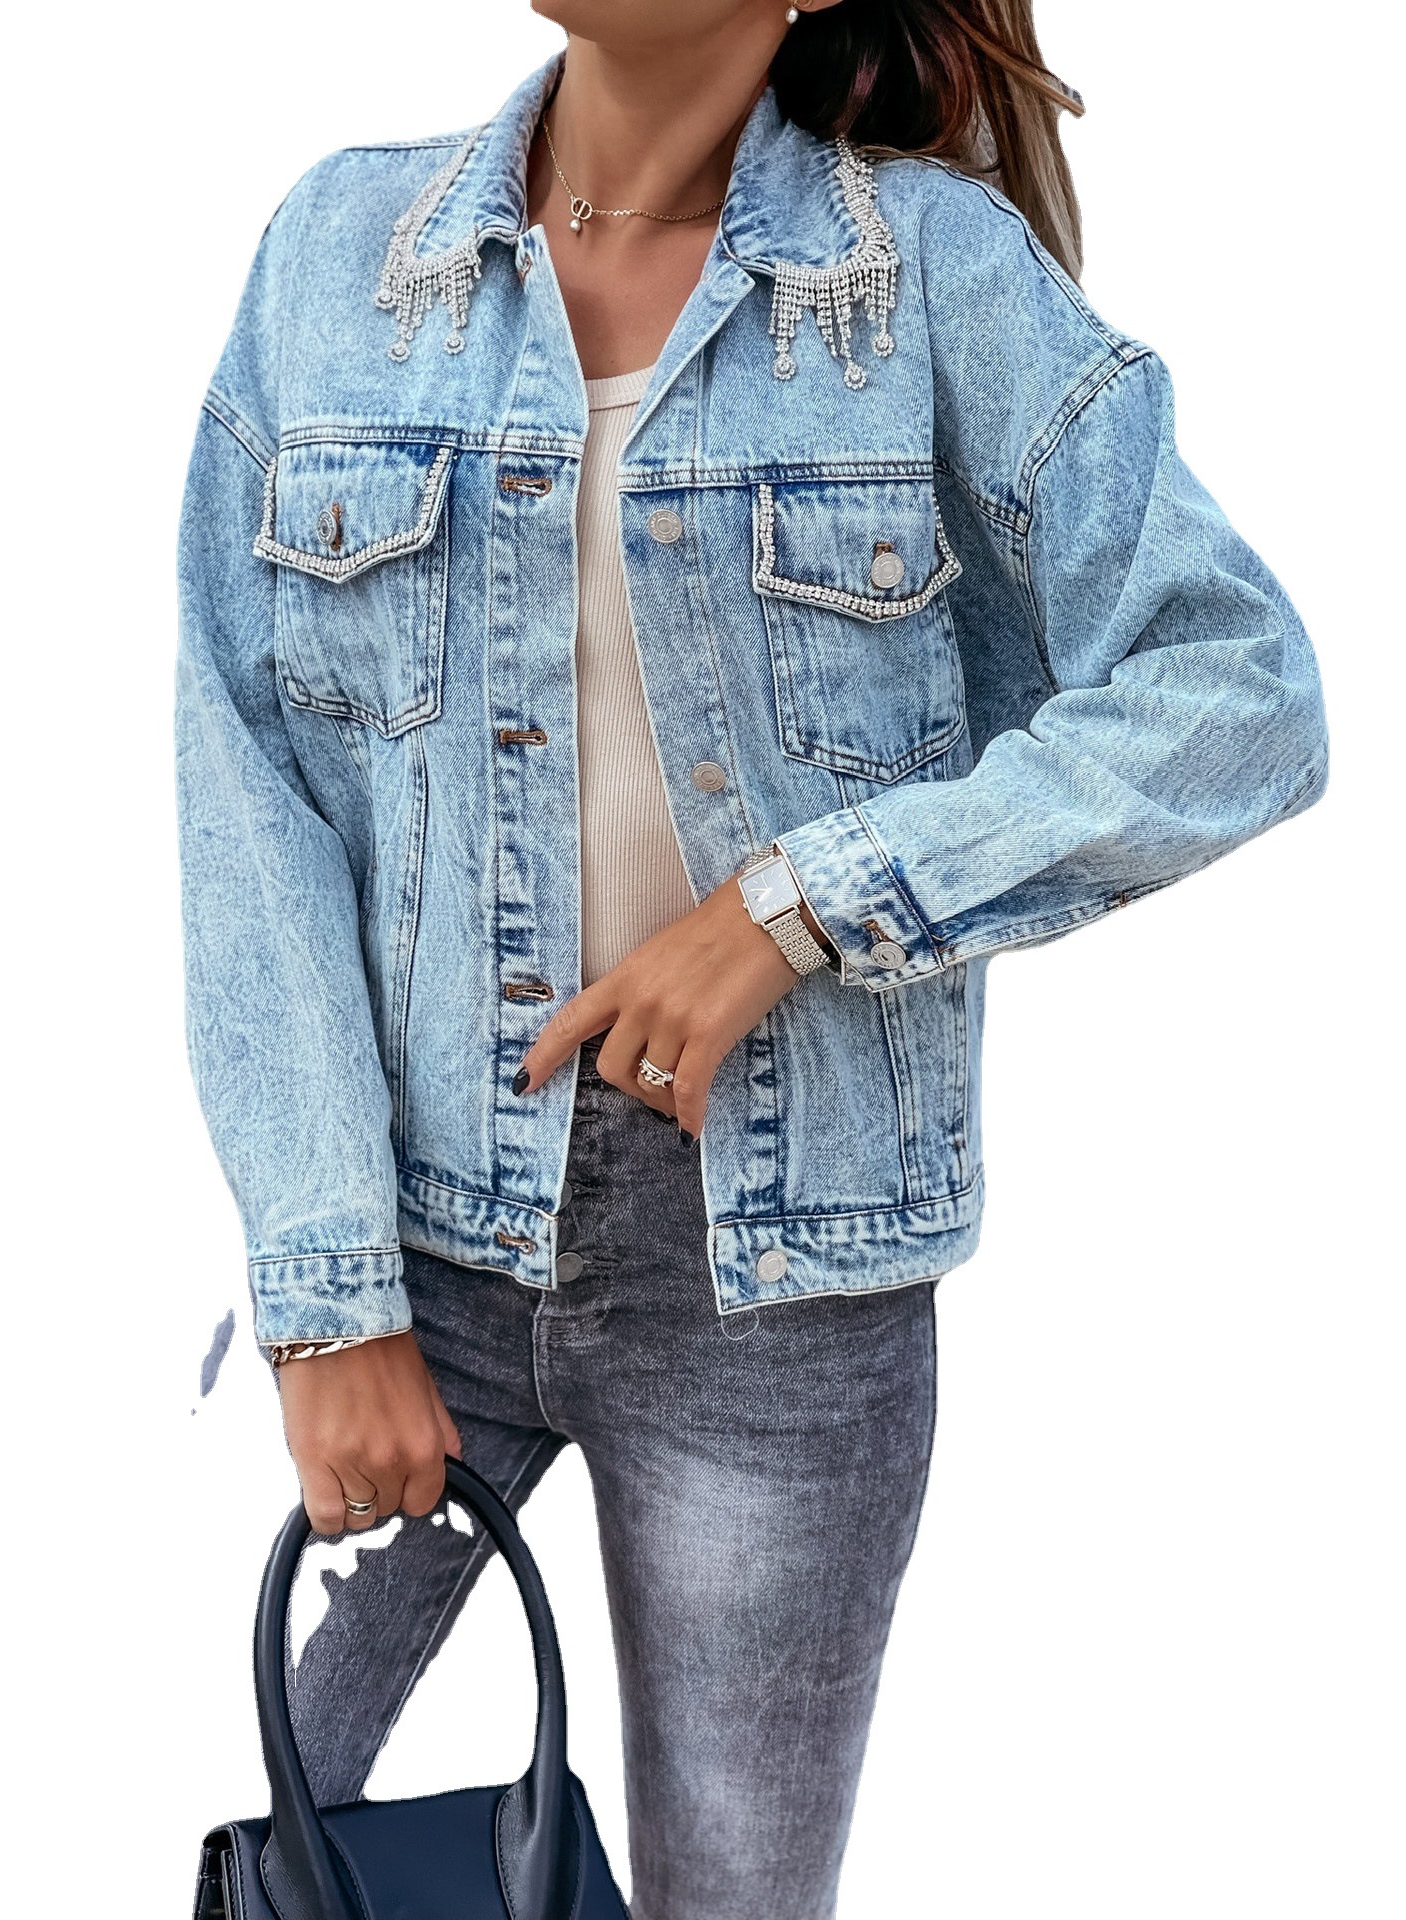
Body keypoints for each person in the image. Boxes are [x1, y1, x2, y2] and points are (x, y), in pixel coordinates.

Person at [174, 3, 1328, 1913]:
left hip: (776, 1271)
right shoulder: (341, 259)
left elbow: (1240, 691)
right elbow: (250, 784)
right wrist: (324, 1295)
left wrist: (799, 906)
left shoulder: (928, 278)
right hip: (401, 1219)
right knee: (248, 1849)